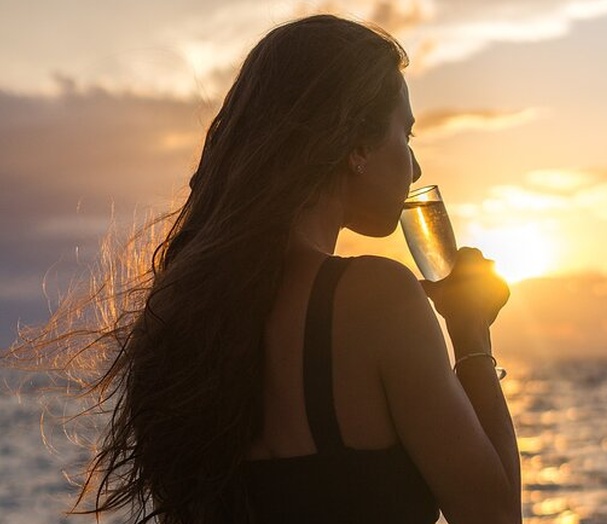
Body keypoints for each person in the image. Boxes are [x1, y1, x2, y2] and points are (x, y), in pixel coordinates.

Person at [11, 14, 521, 523]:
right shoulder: (377, 299)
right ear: (358, 146)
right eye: (405, 134)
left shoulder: (184, 309)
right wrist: (471, 335)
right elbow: (494, 518)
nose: (415, 167)